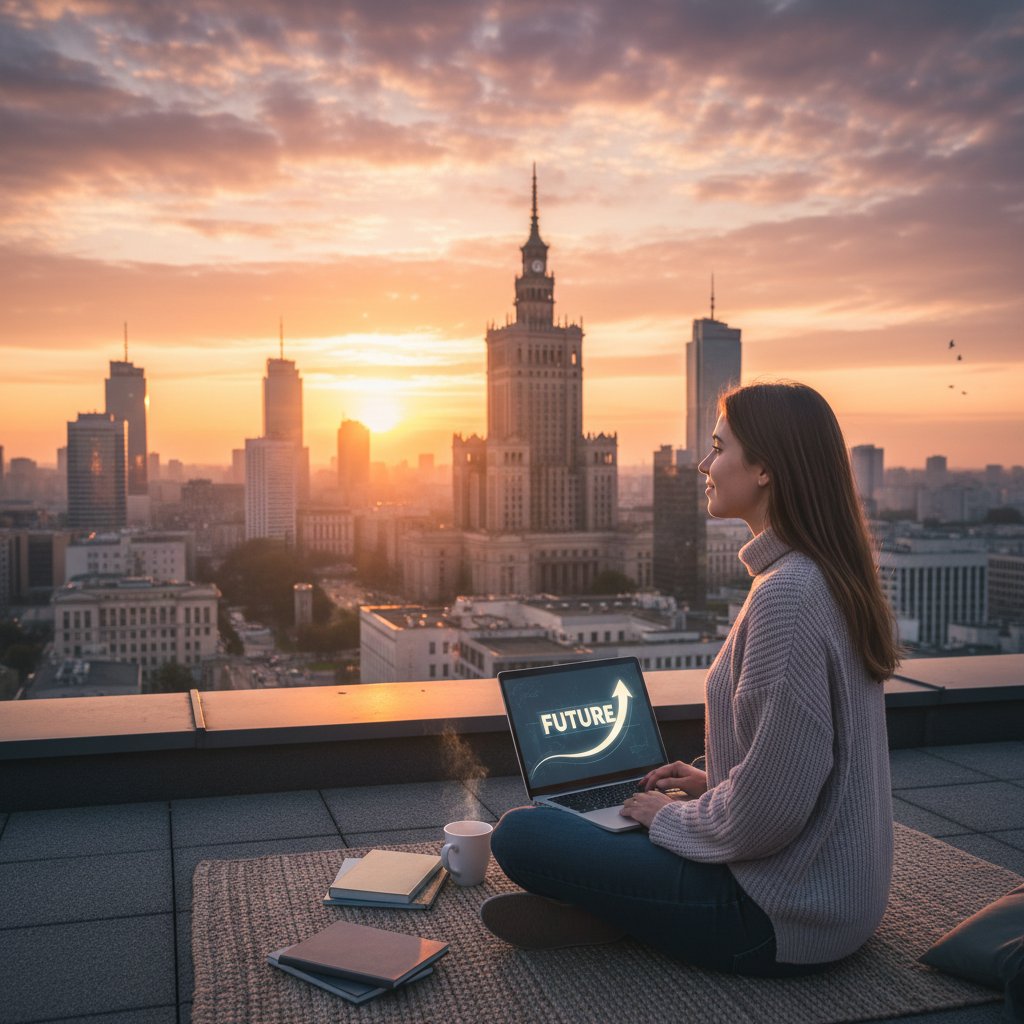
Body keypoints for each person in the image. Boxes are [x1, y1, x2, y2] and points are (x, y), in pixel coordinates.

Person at [480, 381, 898, 977]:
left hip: (776, 915)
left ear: (765, 470)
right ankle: (627, 909)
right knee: (616, 818)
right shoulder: (819, 575)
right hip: (834, 899)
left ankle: (622, 913)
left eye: (719, 448)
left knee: (522, 834)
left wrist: (670, 817)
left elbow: (768, 815)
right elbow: (801, 763)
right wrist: (711, 783)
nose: (704, 463)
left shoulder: (788, 596)